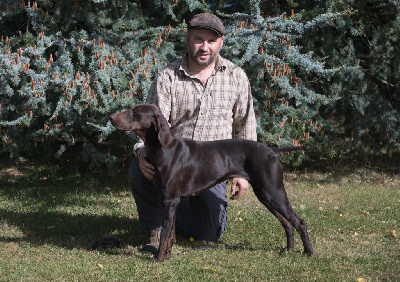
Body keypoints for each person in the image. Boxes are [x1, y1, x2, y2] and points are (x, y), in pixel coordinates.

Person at [129, 13, 257, 254]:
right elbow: (148, 124)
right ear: (188, 38)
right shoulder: (167, 77)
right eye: (199, 39)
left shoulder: (236, 76)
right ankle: (158, 230)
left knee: (208, 234)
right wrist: (142, 153)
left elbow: (245, 123)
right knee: (139, 169)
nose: (204, 47)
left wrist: (244, 171)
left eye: (211, 41)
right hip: (174, 163)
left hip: (212, 168)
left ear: (221, 42)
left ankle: (175, 212)